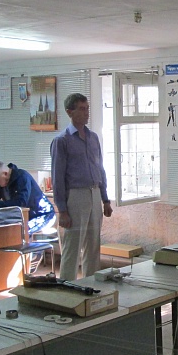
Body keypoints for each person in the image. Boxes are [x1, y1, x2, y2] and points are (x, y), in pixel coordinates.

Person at [50, 93, 113, 281]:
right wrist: (62, 210)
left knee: (93, 244)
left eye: (87, 108)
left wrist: (105, 199)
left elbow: (100, 169)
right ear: (70, 112)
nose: (86, 113)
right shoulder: (62, 141)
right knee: (73, 245)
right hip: (75, 196)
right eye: (82, 109)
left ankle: (91, 284)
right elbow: (57, 178)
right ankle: (67, 285)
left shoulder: (93, 138)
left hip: (94, 192)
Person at [0, 161, 56, 274]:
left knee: (20, 230)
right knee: (8, 229)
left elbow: (20, 203)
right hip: (23, 217)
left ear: (5, 174)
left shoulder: (22, 177)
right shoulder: (3, 181)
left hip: (44, 215)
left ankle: (32, 258)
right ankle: (6, 266)